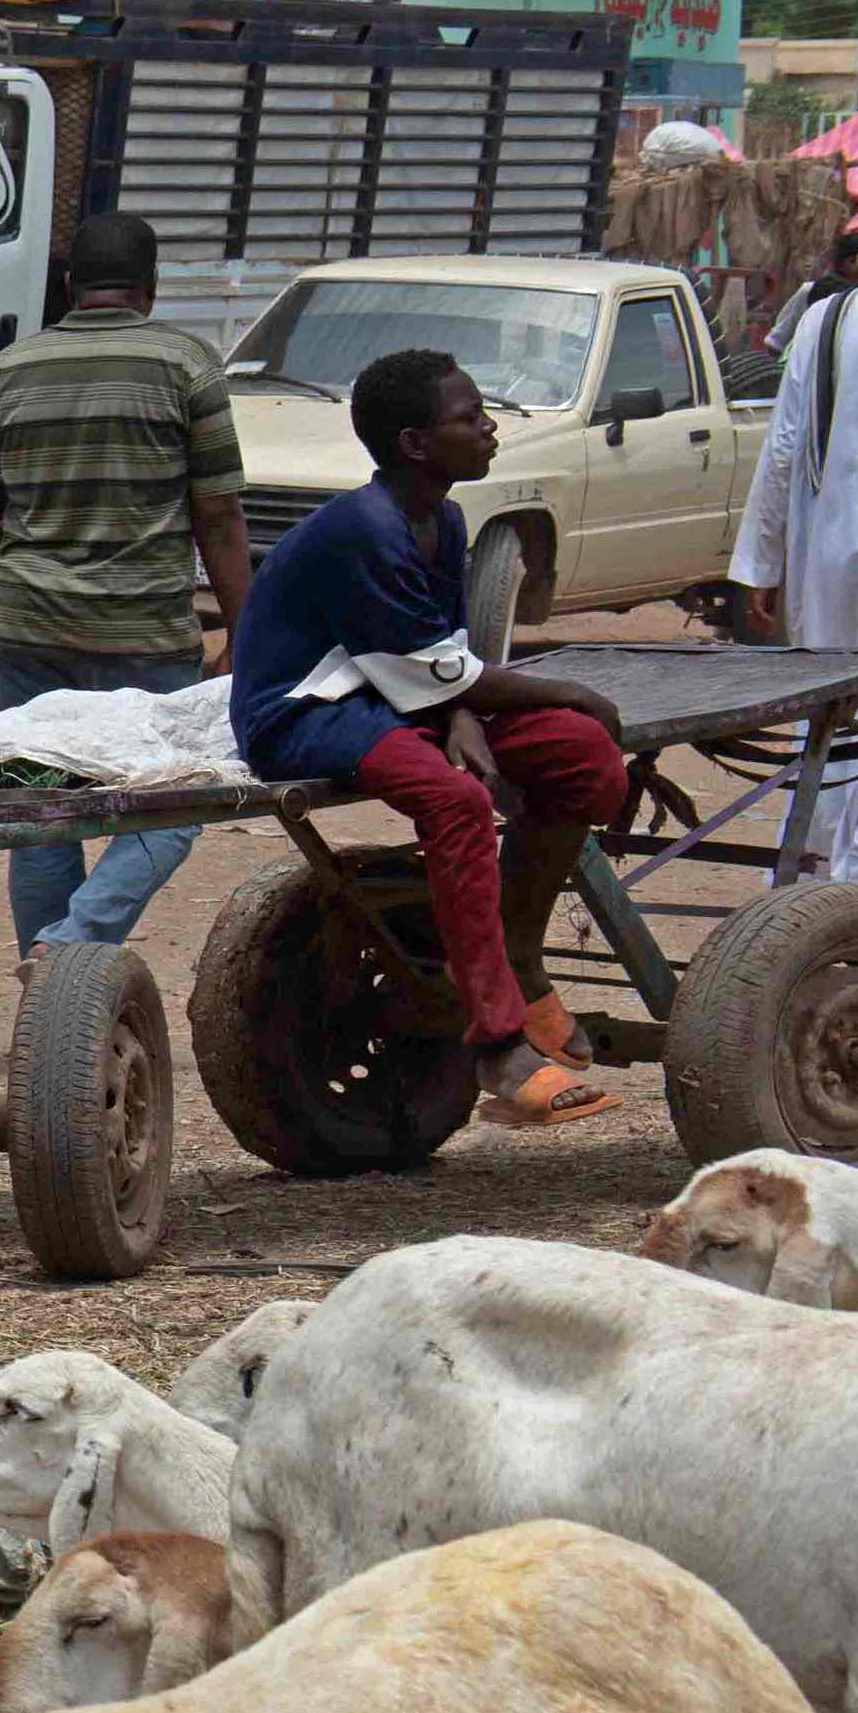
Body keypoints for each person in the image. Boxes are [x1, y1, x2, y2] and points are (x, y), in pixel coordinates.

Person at [227, 346, 628, 1130]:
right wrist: (568, 689)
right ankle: (498, 1041)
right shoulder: (365, 531)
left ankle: (517, 954)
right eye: (470, 417)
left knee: (584, 760)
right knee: (455, 799)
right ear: (415, 443)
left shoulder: (442, 515)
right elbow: (430, 668)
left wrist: (462, 712)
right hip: (306, 709)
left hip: (394, 694)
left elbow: (440, 653)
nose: (489, 428)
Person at [0, 209, 246, 950]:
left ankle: (47, 978)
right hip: (145, 635)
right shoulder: (187, 366)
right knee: (172, 803)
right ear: (152, 286)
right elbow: (221, 516)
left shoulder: (10, 370)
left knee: (41, 814)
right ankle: (74, 943)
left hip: (31, 629)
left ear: (69, 285)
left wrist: (38, 484)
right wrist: (245, 630)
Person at [737, 247, 858, 881]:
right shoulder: (825, 317)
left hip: (829, 556)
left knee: (834, 726)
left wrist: (764, 560)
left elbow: (783, 442)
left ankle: (806, 888)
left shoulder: (828, 318)